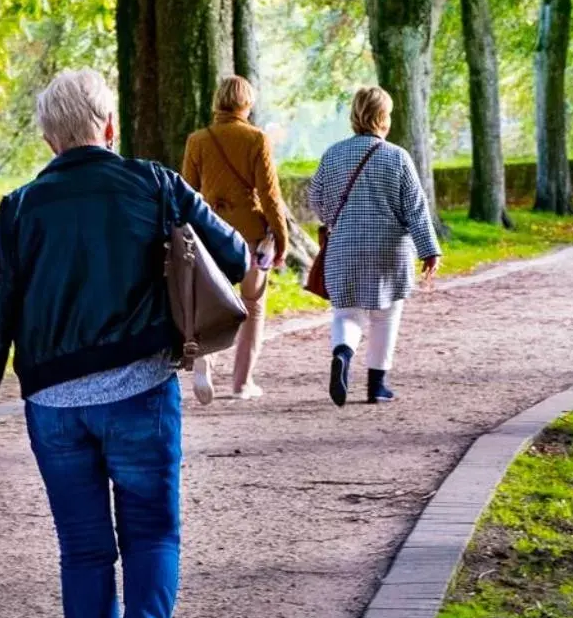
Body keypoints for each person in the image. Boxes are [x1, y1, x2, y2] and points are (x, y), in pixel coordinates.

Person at [0, 70, 245, 618]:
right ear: (109, 125)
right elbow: (236, 254)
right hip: (140, 389)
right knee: (154, 534)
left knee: (83, 552)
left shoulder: (20, 207)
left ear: (49, 138)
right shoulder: (156, 184)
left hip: (55, 405)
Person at [307, 87, 441, 407]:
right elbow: (415, 208)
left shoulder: (333, 154)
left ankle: (342, 353)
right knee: (385, 315)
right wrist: (429, 249)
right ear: (384, 118)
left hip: (344, 245)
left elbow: (316, 199)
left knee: (346, 312)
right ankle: (376, 385)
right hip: (388, 248)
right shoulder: (397, 157)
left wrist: (338, 221)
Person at [181, 76, 290, 400]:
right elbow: (269, 194)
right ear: (247, 104)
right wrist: (281, 238)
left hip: (211, 233)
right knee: (253, 305)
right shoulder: (256, 139)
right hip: (251, 235)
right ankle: (242, 383)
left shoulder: (197, 140)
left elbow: (187, 191)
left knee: (213, 302)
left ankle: (204, 360)